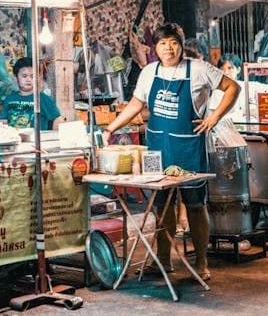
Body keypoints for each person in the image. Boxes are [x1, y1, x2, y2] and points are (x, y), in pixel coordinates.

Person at [102, 23, 239, 280]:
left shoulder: (198, 69)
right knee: (161, 207)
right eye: (163, 43)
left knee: (195, 206)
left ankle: (201, 262)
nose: (169, 48)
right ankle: (163, 261)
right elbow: (136, 104)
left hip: (189, 148)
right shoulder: (148, 71)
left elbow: (233, 88)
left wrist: (215, 117)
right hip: (157, 148)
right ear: (155, 48)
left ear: (180, 44)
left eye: (174, 42)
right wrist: (111, 127)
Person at [0, 57, 64, 131]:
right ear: (16, 76)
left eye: (32, 76)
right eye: (24, 76)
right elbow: (3, 122)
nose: (28, 79)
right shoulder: (9, 99)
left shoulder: (44, 99)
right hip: (14, 140)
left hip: (37, 141)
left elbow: (58, 120)